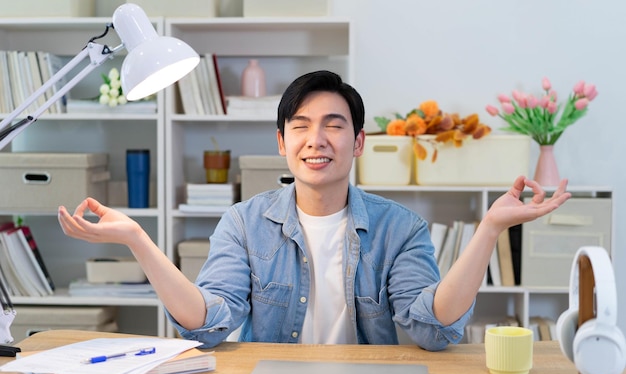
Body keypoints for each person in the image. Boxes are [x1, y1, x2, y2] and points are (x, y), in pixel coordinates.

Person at [58, 70, 571, 351]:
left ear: (360, 141)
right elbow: (207, 325)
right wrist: (139, 242)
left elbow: (432, 329)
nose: (317, 139)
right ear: (281, 142)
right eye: (300, 126)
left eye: (334, 124)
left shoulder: (401, 228)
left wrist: (488, 229)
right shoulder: (242, 223)